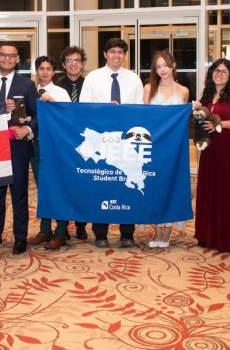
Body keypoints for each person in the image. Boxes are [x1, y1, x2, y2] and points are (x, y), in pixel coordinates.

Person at [79, 38, 143, 248]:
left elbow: (140, 110)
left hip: (126, 142)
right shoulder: (93, 78)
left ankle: (127, 232)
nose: (117, 55)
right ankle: (100, 233)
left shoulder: (134, 79)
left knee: (127, 183)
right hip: (101, 140)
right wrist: (104, 109)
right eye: (113, 51)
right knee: (102, 184)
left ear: (125, 55)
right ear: (105, 54)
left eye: (120, 52)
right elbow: (83, 109)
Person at [0, 42, 38, 255]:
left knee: (19, 194)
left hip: (18, 147)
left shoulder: (27, 85)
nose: (7, 59)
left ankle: (20, 237)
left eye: (12, 56)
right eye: (3, 55)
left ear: (17, 59)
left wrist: (27, 130)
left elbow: (37, 114)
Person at [193, 59, 230, 253]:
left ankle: (225, 238)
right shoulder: (207, 94)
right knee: (209, 191)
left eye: (223, 71)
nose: (218, 74)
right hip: (209, 151)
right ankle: (207, 234)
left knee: (225, 192)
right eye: (215, 70)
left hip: (228, 149)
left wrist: (220, 124)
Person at [142, 51, 189, 248]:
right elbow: (144, 118)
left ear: (173, 65)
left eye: (166, 65)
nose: (162, 70)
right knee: (154, 186)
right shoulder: (149, 88)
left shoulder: (183, 91)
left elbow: (182, 121)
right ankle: (157, 227)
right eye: (158, 66)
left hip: (174, 147)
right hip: (153, 145)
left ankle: (167, 227)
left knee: (172, 185)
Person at [27, 55, 71, 250]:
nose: (44, 72)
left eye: (48, 69)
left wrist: (54, 104)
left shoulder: (61, 93)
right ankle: (45, 230)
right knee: (42, 189)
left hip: (56, 147)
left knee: (59, 187)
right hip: (36, 146)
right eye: (41, 68)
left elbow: (69, 119)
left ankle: (61, 232)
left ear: (54, 71)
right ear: (36, 71)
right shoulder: (30, 92)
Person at [56, 45, 89, 240]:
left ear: (82, 64)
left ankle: (81, 225)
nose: (73, 64)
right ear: (64, 64)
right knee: (65, 183)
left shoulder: (90, 85)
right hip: (64, 141)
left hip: (86, 141)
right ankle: (63, 226)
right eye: (69, 61)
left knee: (83, 183)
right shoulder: (56, 87)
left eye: (77, 60)